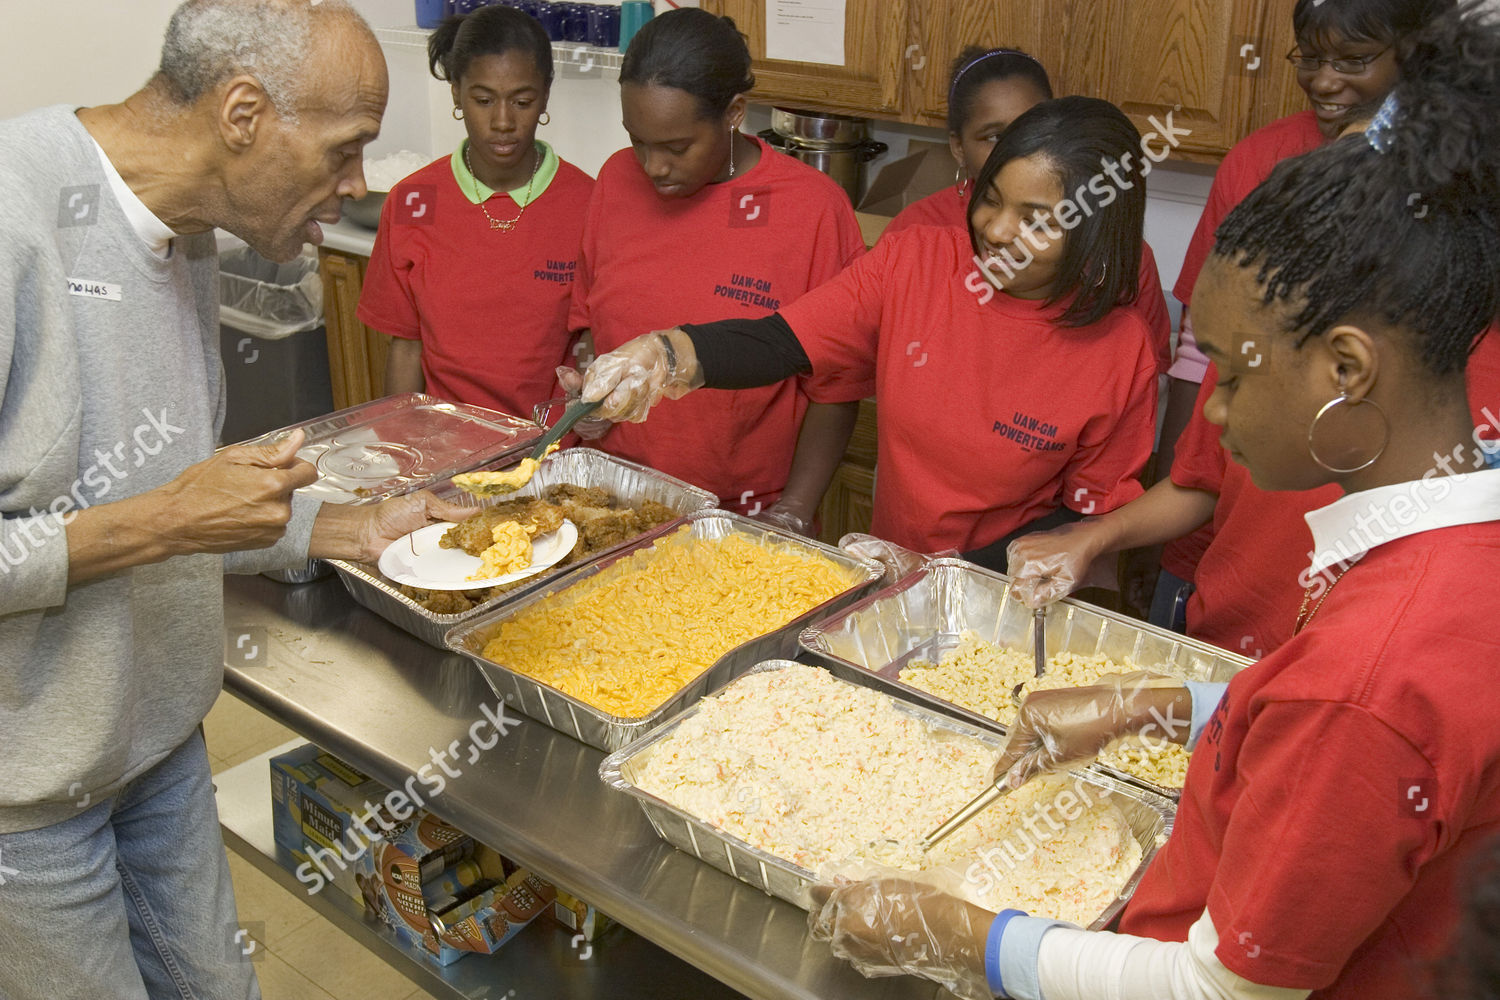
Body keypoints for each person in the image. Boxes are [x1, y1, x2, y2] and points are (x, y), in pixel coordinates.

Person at [807, 7, 1500, 998]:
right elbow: (1304, 720)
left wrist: (960, 930)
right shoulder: (1454, 536)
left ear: (1346, 367)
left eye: (1228, 371)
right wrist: (1155, 704)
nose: (1208, 411)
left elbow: (1223, 987)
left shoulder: (1373, 675)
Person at [0, 2, 465, 996]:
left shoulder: (190, 234)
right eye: (346, 152)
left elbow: (175, 496)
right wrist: (165, 520)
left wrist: (351, 527)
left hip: (157, 743)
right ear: (244, 114)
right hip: (26, 801)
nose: (351, 190)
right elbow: (164, 514)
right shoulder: (14, 219)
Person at [578, 96, 1162, 563]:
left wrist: (945, 571)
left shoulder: (1119, 349)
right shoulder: (915, 260)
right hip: (888, 568)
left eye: (1035, 220)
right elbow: (780, 342)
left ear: (1095, 226)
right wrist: (667, 352)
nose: (998, 230)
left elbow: (1086, 520)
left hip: (1005, 592)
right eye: (991, 199)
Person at [1151, 0, 1451, 628]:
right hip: (1231, 562)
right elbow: (1201, 350)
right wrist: (1174, 512)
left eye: (1353, 60)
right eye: (1310, 58)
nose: (1324, 80)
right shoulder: (1257, 159)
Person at [560, 8, 866, 529]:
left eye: (678, 147)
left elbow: (838, 387)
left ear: (734, 112)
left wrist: (792, 510)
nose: (654, 166)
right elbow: (592, 318)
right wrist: (590, 392)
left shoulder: (813, 210)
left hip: (745, 513)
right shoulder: (615, 180)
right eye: (638, 140)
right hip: (617, 499)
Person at [358, 6, 593, 419]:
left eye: (522, 101)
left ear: (546, 94)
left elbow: (595, 343)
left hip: (551, 457)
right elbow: (406, 348)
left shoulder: (589, 203)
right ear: (456, 92)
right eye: (483, 100)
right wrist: (401, 449)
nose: (503, 121)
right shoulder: (413, 202)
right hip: (445, 450)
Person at [882, 46, 1173, 375]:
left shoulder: (1116, 246)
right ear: (959, 147)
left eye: (1033, 126)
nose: (1017, 147)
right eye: (995, 135)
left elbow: (1150, 370)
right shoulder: (915, 233)